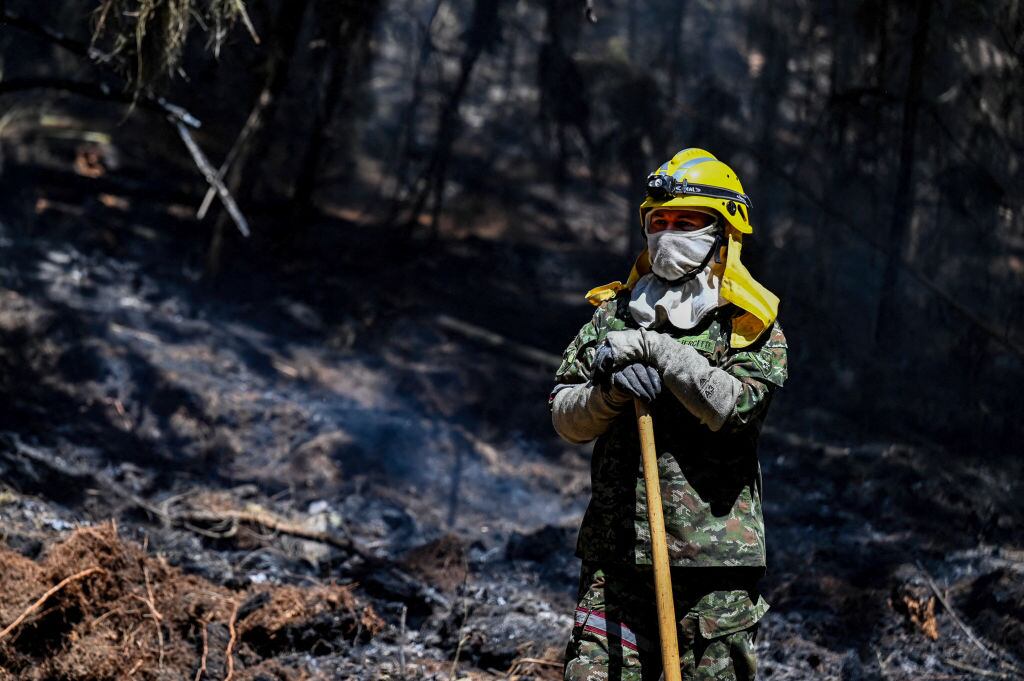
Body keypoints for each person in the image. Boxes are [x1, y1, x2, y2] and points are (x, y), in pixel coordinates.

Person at [550, 148, 788, 681]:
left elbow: (736, 408)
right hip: (615, 560)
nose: (668, 235)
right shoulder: (612, 314)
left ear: (724, 233)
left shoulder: (748, 323)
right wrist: (608, 393)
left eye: (686, 223)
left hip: (714, 567)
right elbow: (565, 416)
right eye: (659, 222)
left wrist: (659, 350)